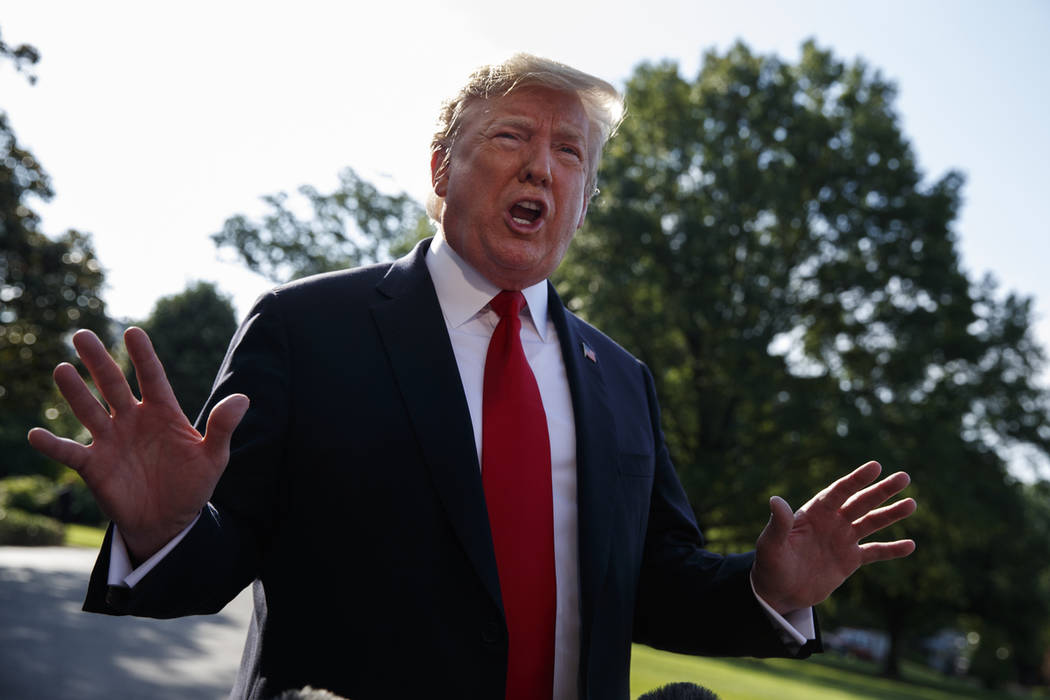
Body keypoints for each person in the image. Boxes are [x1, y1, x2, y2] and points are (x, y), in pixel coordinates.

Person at [27, 54, 916, 700]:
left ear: (582, 202)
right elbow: (226, 553)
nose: (543, 165)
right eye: (513, 137)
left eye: (572, 154)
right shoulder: (307, 327)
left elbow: (648, 585)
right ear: (439, 167)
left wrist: (769, 591)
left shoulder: (623, 381)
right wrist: (168, 529)